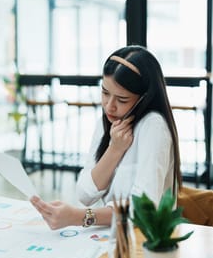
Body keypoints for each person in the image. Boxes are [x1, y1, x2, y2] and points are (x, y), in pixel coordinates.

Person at [30, 45, 181, 230]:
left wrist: (80, 217)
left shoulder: (153, 126)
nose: (109, 106)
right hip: (114, 235)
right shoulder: (107, 123)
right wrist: (115, 149)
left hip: (145, 239)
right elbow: (85, 194)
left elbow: (144, 210)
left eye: (122, 99)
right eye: (105, 92)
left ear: (145, 98)